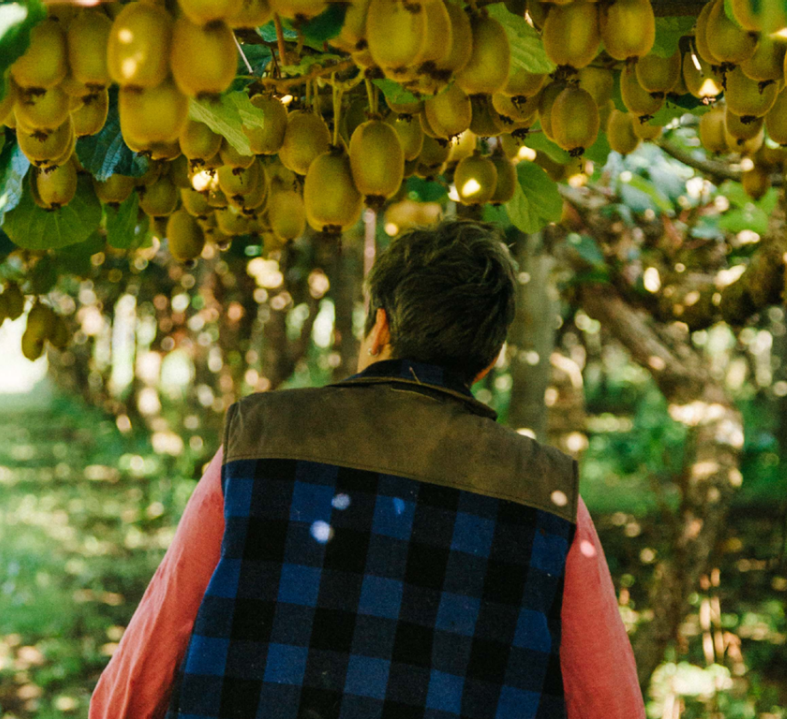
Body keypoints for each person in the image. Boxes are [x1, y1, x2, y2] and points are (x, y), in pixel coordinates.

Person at [90, 220, 644, 719]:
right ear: (491, 357)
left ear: (379, 327)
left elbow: (146, 664)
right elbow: (609, 703)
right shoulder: (547, 494)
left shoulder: (259, 442)